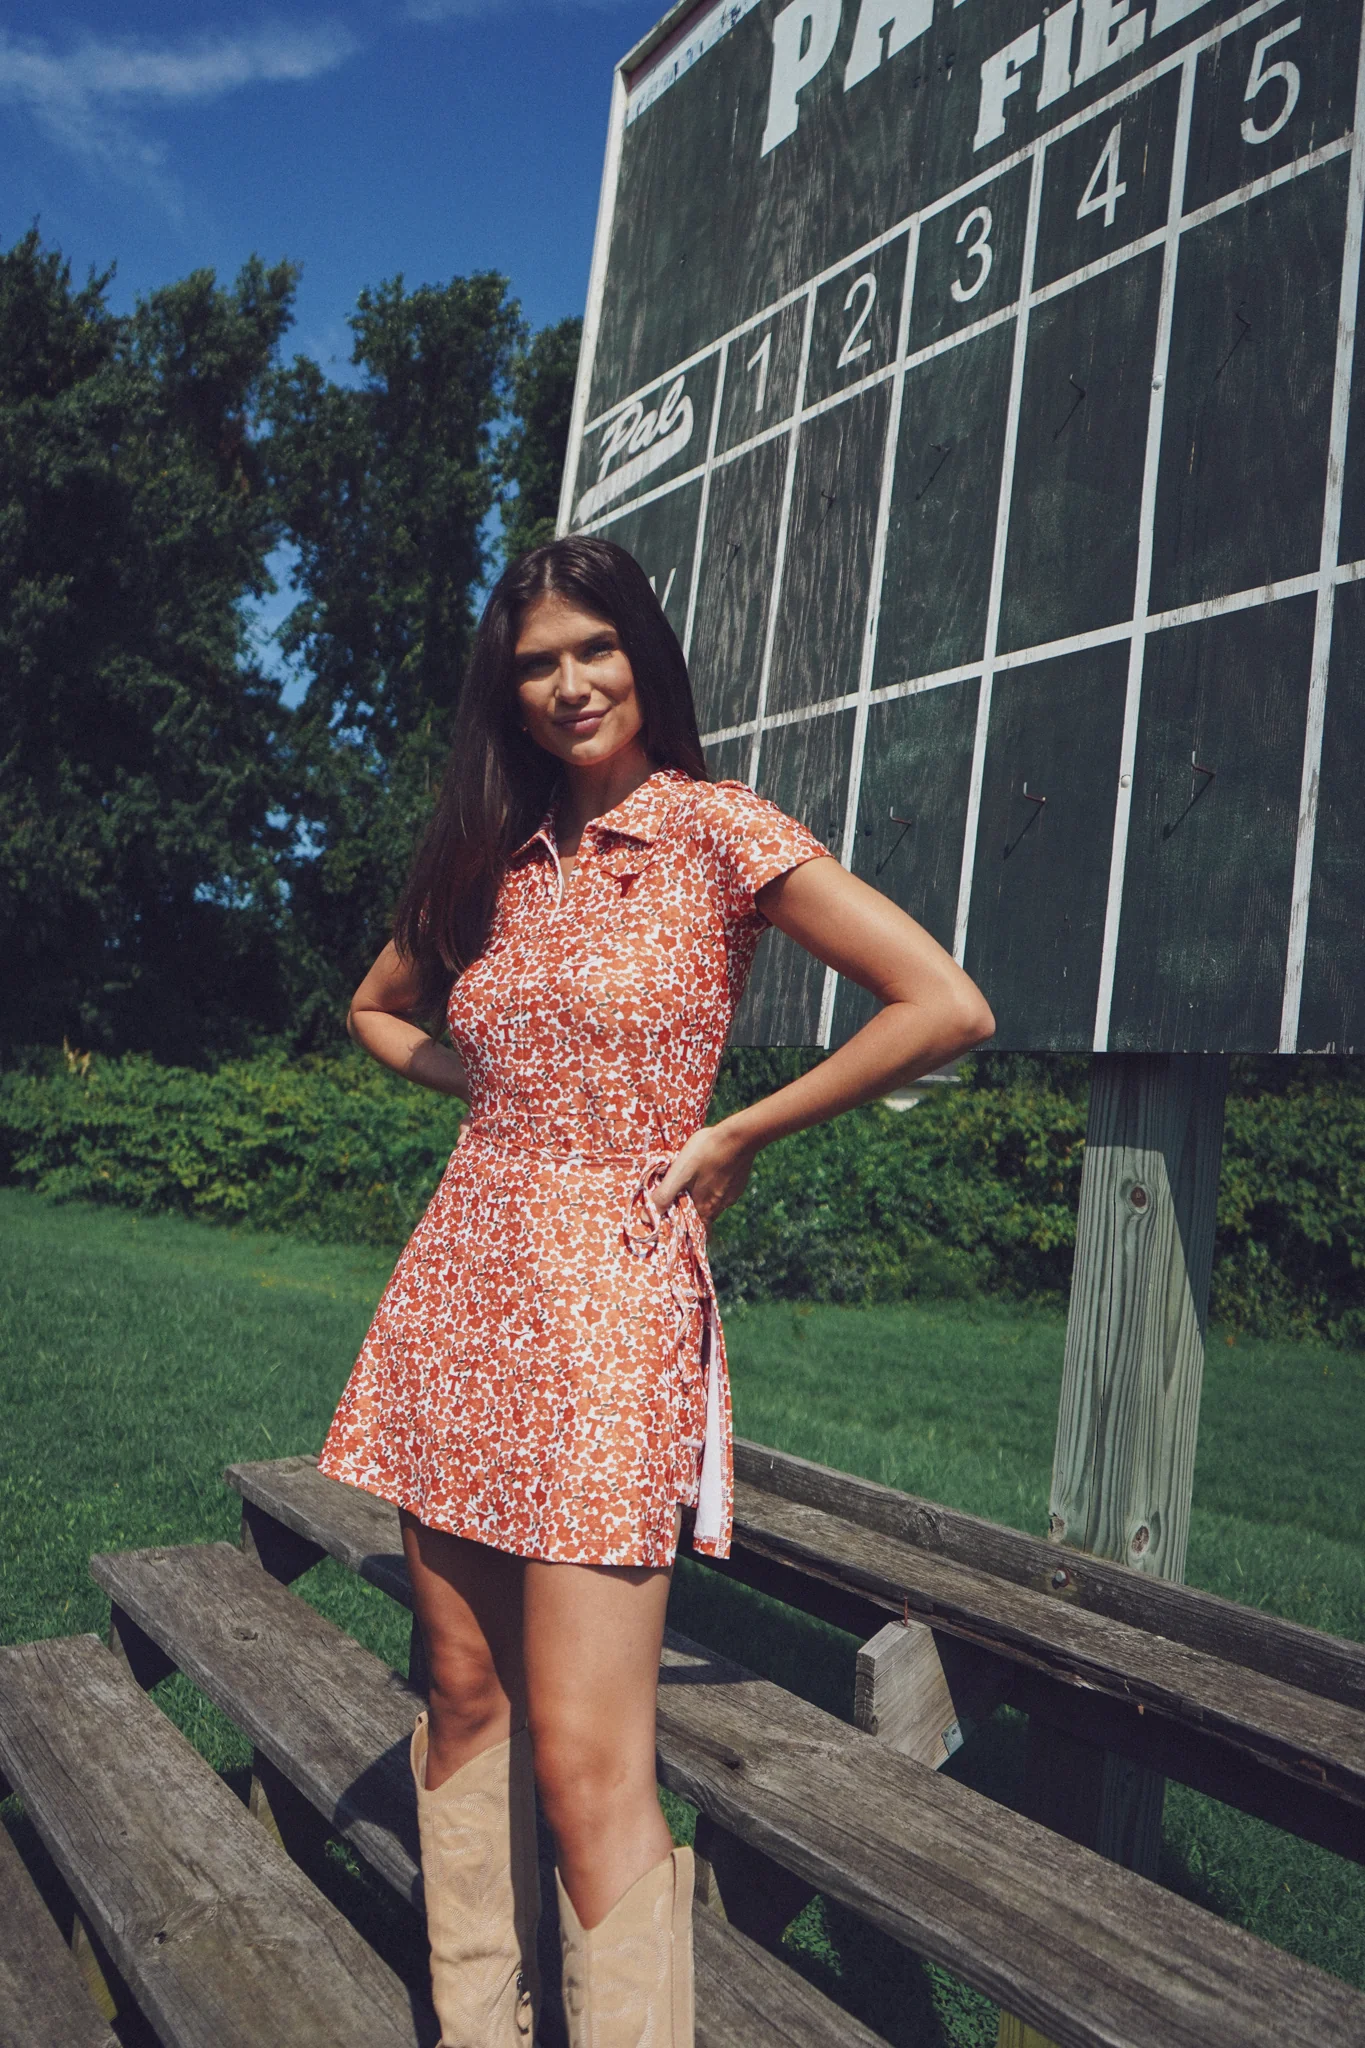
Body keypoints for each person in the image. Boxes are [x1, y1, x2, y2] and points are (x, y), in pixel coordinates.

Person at [317, 534, 994, 2048]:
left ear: (643, 655)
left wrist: (743, 1129)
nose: (567, 685)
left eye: (591, 650)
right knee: (464, 1698)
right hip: (464, 1287)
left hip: (619, 1308)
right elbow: (373, 1007)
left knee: (586, 1760)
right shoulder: (493, 854)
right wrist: (485, 1086)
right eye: (536, 664)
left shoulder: (716, 831)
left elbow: (945, 1003)